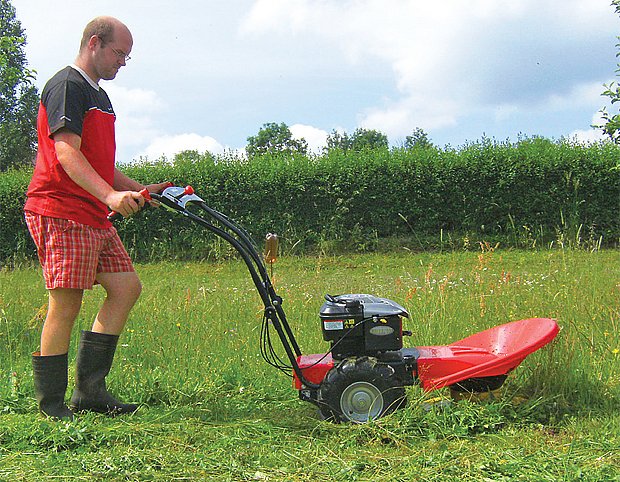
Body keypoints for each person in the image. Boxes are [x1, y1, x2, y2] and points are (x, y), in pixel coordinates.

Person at [24, 16, 168, 420]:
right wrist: (109, 195)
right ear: (94, 43)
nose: (123, 62)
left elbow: (101, 163)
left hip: (93, 212)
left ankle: (90, 391)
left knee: (125, 288)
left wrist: (141, 190)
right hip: (61, 208)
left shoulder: (99, 96)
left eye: (127, 56)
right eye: (119, 53)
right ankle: (51, 405)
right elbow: (67, 153)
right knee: (65, 304)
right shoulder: (67, 85)